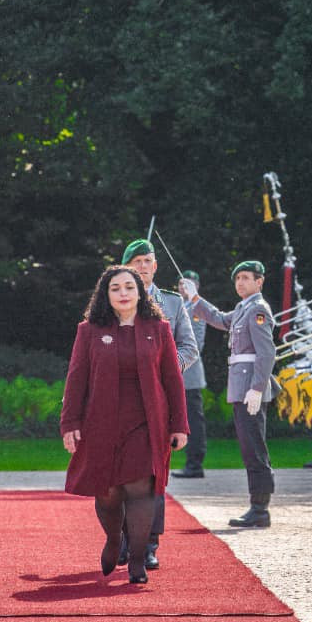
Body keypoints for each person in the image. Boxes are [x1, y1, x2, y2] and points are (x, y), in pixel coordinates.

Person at [60, 265, 188, 584]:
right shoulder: (88, 330)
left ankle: (137, 559)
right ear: (106, 294)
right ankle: (115, 539)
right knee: (108, 492)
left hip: (147, 422)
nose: (123, 294)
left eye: (129, 287)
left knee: (142, 487)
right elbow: (76, 380)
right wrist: (69, 423)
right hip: (102, 422)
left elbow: (172, 379)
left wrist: (179, 425)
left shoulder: (158, 328)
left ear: (140, 292)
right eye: (115, 288)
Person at [118, 239, 198, 569]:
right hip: (121, 401)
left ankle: (150, 542)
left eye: (148, 261)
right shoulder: (114, 302)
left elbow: (189, 348)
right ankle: (124, 538)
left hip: (158, 401)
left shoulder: (174, 304)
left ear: (155, 266)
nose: (144, 266)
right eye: (137, 261)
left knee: (154, 474)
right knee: (120, 473)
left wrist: (162, 370)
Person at [186, 260, 278, 528]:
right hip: (242, 386)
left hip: (250, 386)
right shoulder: (242, 308)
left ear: (259, 282)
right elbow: (218, 319)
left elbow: (266, 352)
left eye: (246, 278)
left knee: (255, 448)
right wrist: (195, 298)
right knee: (249, 447)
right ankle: (257, 506)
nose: (240, 283)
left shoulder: (258, 309)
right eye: (237, 278)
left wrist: (258, 388)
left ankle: (260, 508)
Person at [174, 269, 210, 478]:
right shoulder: (183, 307)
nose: (183, 288)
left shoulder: (197, 308)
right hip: (179, 373)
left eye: (187, 284)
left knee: (193, 420)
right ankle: (191, 462)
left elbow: (196, 343)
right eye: (180, 284)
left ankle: (195, 464)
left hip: (190, 373)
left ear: (196, 286)